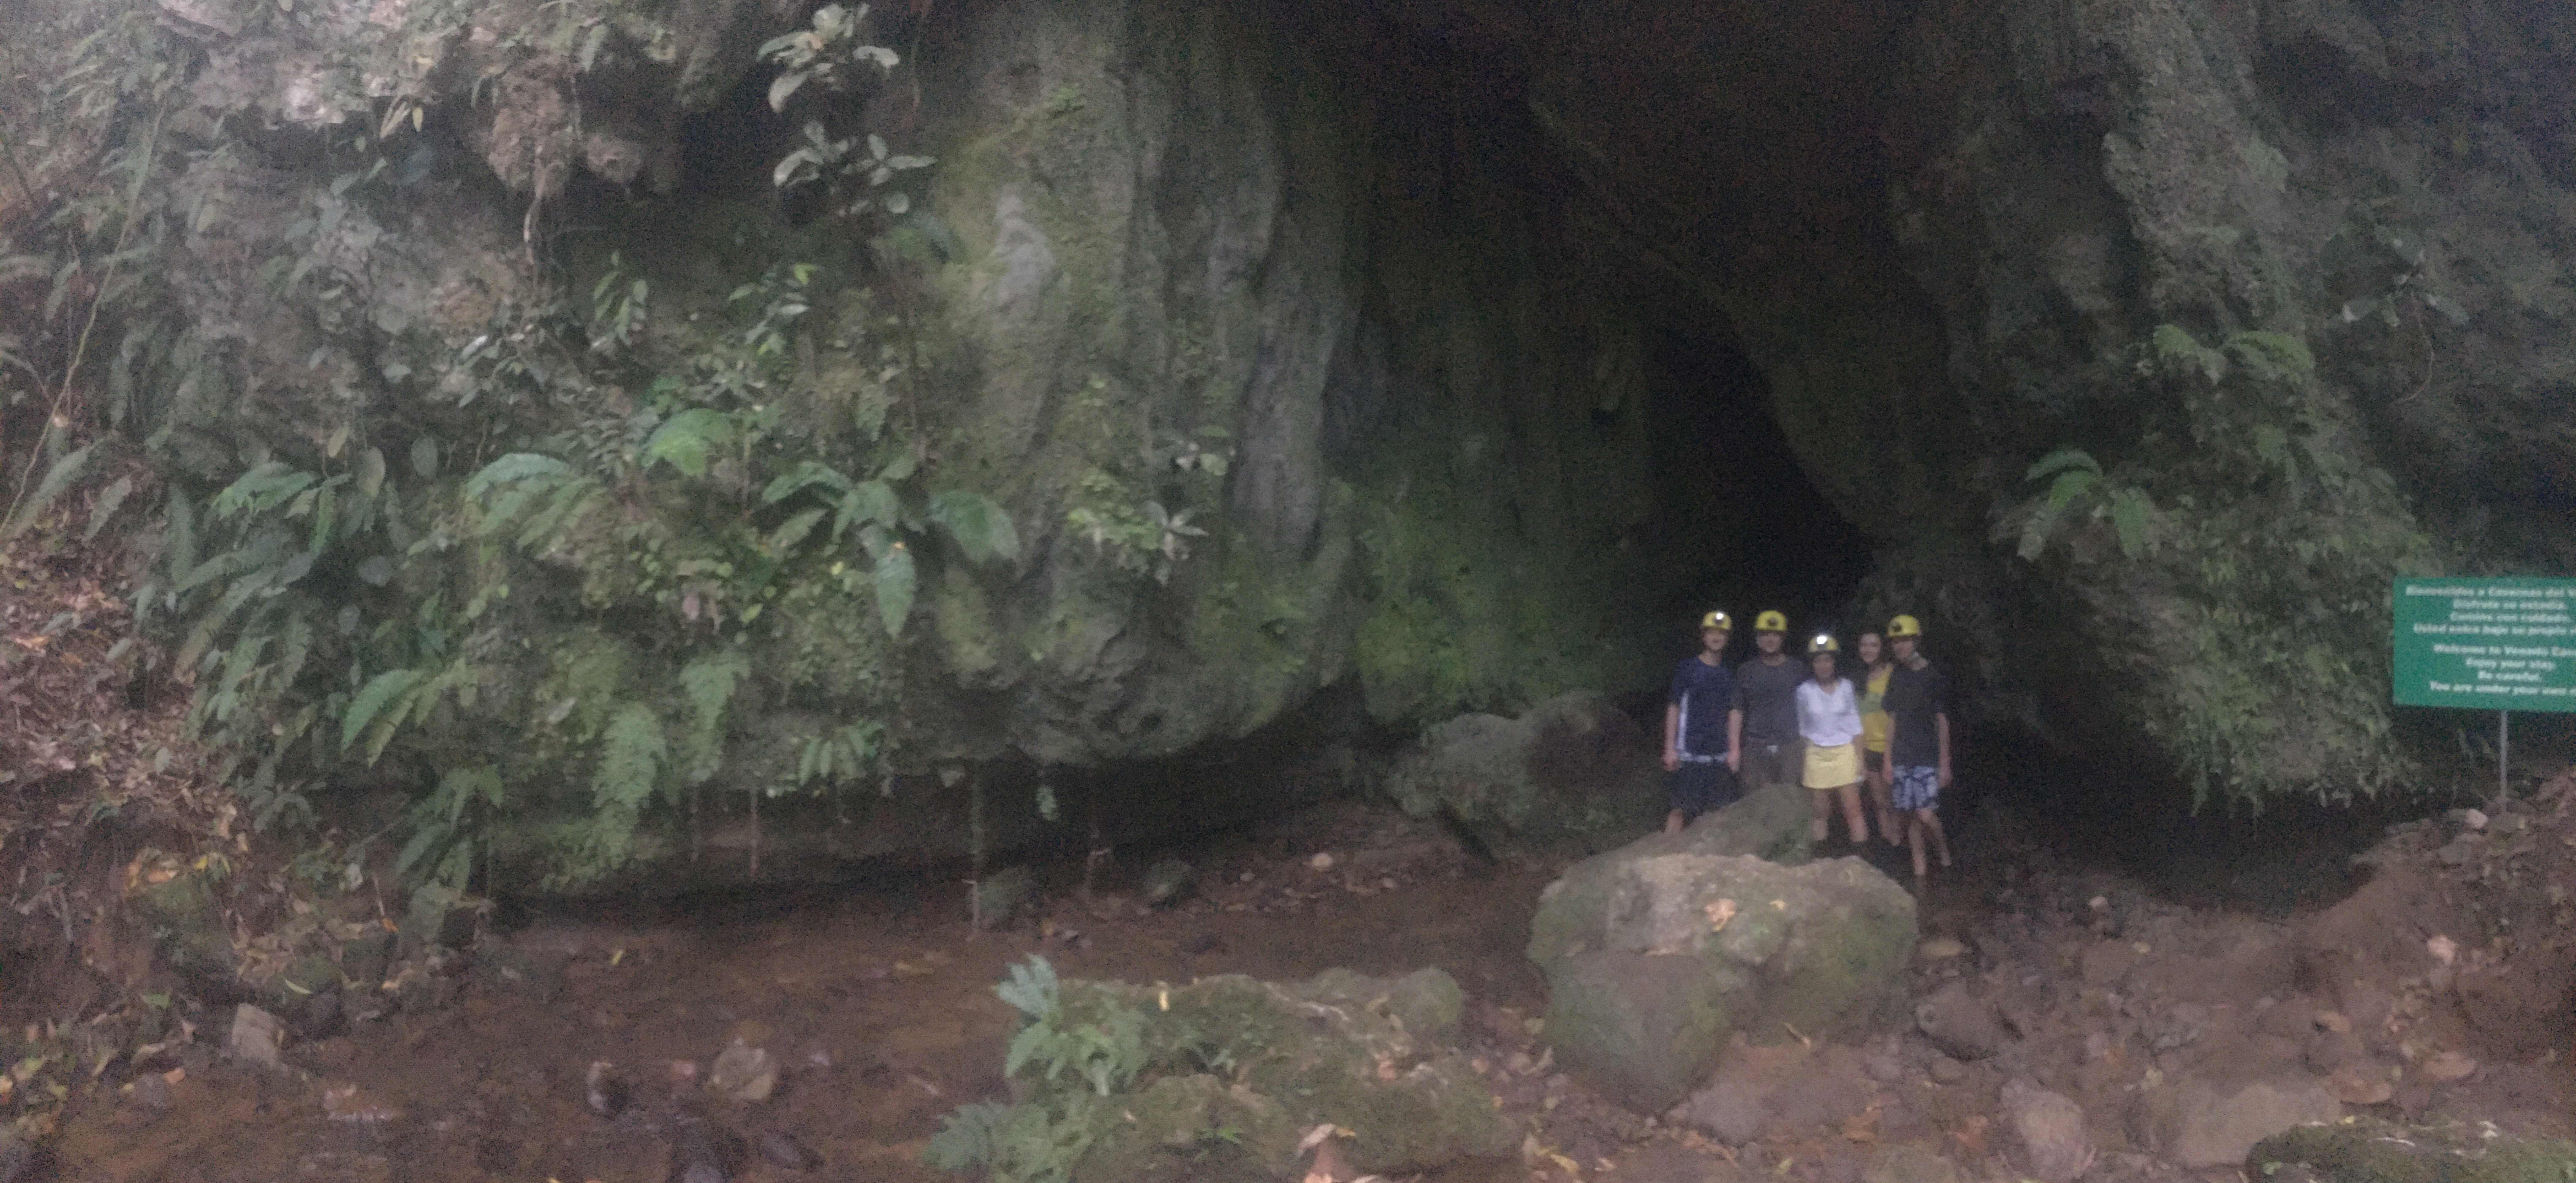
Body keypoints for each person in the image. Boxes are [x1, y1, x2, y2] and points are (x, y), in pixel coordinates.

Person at [1881, 614, 1954, 888]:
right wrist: (1888, 760)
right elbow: (1893, 719)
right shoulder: (1897, 676)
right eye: (1896, 642)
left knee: (1926, 815)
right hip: (1903, 755)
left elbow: (1942, 720)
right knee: (1912, 814)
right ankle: (1920, 873)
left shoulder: (1933, 675)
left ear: (1916, 641)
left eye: (1905, 641)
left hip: (1927, 755)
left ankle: (1944, 851)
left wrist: (1945, 763)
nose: (1900, 646)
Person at [1661, 611, 1740, 832]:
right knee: (1679, 809)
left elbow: (1733, 712)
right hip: (1689, 751)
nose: (1716, 637)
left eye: (1722, 633)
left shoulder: (1728, 674)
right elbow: (1674, 707)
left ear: (1727, 638)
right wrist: (1670, 749)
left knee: (1715, 812)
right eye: (1712, 632)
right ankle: (1665, 859)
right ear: (1704, 636)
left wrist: (1733, 751)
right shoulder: (1688, 669)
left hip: (1717, 753)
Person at [1795, 633, 1869, 845]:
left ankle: (1860, 860)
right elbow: (1802, 728)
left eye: (1827, 660)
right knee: (1820, 813)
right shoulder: (1803, 691)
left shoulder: (1847, 687)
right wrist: (1804, 762)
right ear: (1812, 664)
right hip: (1816, 754)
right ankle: (1819, 859)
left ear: (1835, 662)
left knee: (1853, 811)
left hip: (1844, 752)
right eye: (1818, 660)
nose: (1823, 665)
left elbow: (1856, 726)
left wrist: (1861, 761)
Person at [1728, 610, 1805, 795]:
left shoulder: (1798, 669)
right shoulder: (1746, 670)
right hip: (1755, 747)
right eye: (1765, 634)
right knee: (1755, 805)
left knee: (1790, 803)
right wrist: (1734, 750)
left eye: (1776, 635)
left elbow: (1810, 709)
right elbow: (1737, 710)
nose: (1770, 639)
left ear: (1783, 639)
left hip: (1791, 746)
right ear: (1757, 639)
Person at [1855, 631, 1899, 844]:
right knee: (1879, 801)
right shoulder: (1857, 679)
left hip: (1891, 747)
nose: (1868, 650)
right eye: (1864, 645)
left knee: (1894, 802)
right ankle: (1888, 843)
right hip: (1868, 748)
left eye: (1874, 645)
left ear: (1882, 648)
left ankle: (1900, 844)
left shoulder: (1893, 674)